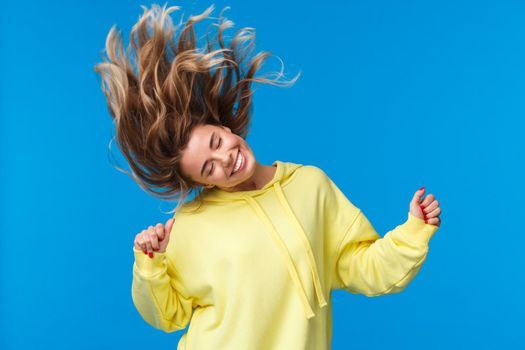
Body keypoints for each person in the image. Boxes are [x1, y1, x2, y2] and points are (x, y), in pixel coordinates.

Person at [94, 3, 442, 349]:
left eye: (217, 142)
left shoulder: (310, 185)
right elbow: (166, 316)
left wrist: (413, 231)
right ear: (203, 183)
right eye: (208, 167)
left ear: (225, 126)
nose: (225, 159)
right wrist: (150, 265)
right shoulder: (189, 224)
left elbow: (363, 267)